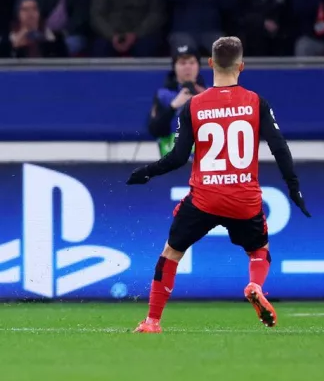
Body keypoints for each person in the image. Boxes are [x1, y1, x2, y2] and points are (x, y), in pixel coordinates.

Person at [126, 36, 311, 333]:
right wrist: (293, 187)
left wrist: (146, 172)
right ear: (242, 65)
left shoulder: (194, 106)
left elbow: (176, 157)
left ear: (210, 64)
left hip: (204, 198)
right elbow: (279, 147)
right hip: (244, 198)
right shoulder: (255, 102)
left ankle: (152, 321)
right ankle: (254, 285)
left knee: (171, 254)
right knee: (259, 251)